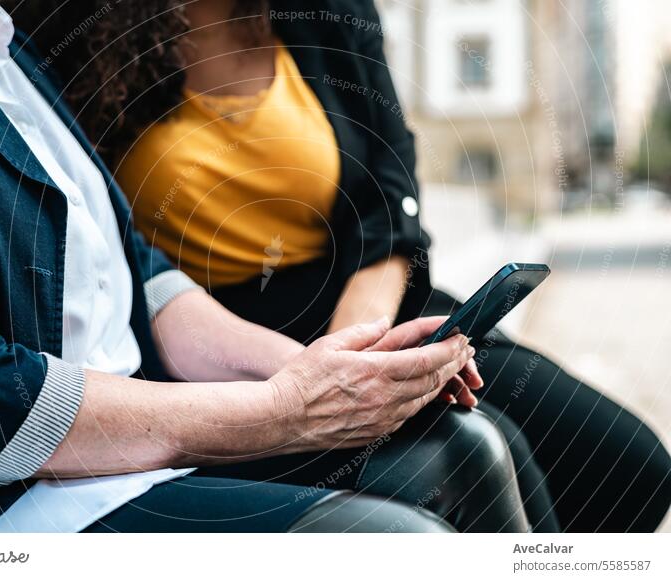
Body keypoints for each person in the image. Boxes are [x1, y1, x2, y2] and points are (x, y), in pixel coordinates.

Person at [0, 0, 531, 534]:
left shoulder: (1, 39)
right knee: (402, 545)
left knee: (467, 450)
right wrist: (284, 409)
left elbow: (139, 270)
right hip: (12, 500)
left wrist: (334, 373)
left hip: (131, 442)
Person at [45, 0, 671, 532]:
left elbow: (390, 195)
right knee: (476, 449)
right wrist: (313, 375)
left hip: (370, 302)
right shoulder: (81, 29)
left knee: (629, 466)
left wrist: (356, 348)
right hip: (216, 343)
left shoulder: (329, 10)